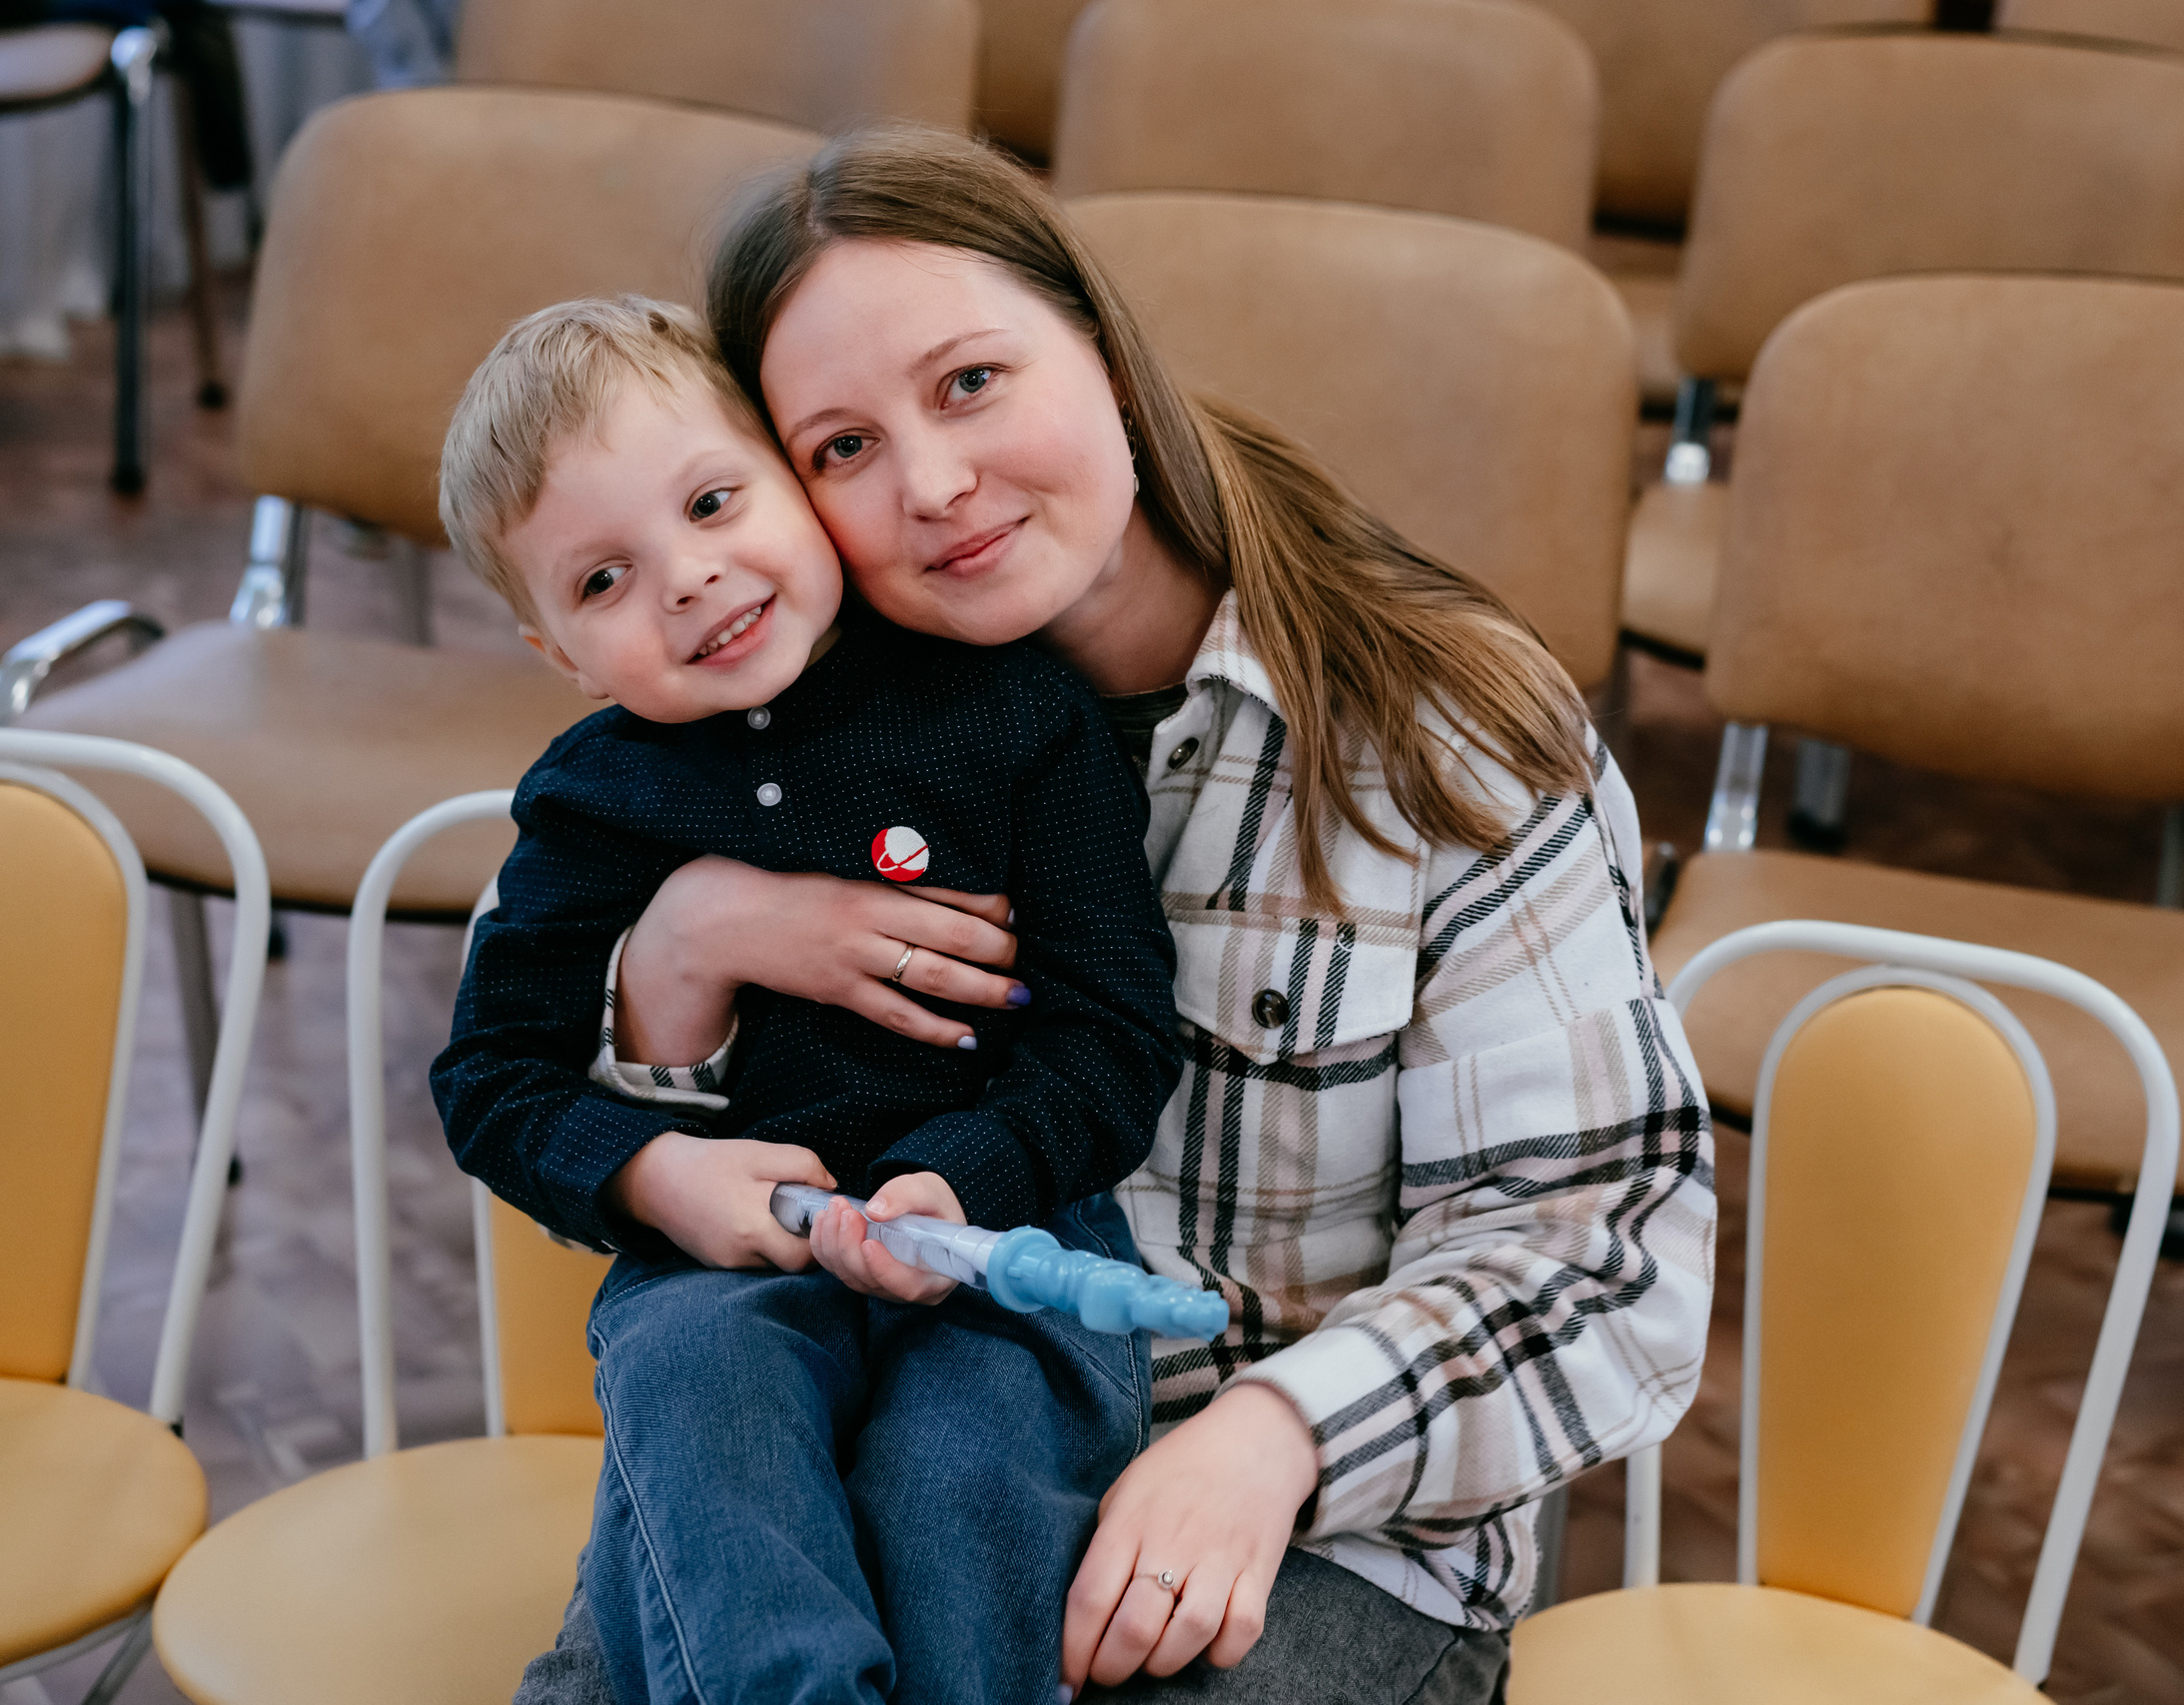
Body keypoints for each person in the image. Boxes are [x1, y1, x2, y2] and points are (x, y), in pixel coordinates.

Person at [517, 126, 1716, 1704]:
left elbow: (1598, 1252)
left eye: (969, 382)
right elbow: (591, 1159)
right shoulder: (726, 734)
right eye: (841, 448)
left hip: (1300, 1521)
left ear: (1102, 344)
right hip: (848, 1448)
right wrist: (685, 954)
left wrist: (1270, 1441)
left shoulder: (1450, 736)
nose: (936, 485)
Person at [429, 294, 1183, 1705]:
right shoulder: (593, 803)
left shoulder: (1015, 710)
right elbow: (491, 1082)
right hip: (731, 1259)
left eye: (716, 502)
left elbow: (1113, 1032)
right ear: (557, 655)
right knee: (693, 1385)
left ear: (799, 483)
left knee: (964, 1469)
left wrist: (962, 1183)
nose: (692, 581)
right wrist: (658, 1175)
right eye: (601, 582)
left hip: (1000, 1237)